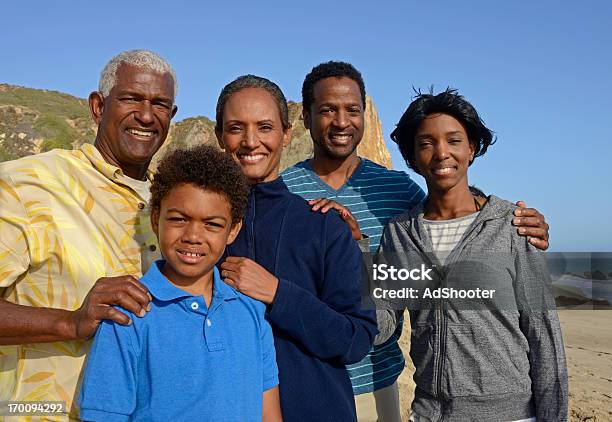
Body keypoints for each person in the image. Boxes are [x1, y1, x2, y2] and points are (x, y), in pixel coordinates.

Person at [280, 61, 551, 421]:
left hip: (377, 383)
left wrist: (511, 223)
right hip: (303, 378)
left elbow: (452, 211)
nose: (341, 121)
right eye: (327, 110)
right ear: (306, 118)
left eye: (352, 110)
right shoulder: (281, 190)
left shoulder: (399, 193)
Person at [0, 50, 177, 419]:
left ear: (171, 117)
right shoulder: (26, 184)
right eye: (131, 98)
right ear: (98, 107)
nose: (146, 115)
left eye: (160, 104)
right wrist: (69, 322)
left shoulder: (173, 204)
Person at [379, 89, 567, 421]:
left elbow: (543, 335)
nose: (441, 153)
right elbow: (381, 325)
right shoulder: (399, 232)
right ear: (412, 155)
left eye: (453, 141)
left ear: (472, 148)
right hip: (430, 413)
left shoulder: (514, 226)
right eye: (426, 143)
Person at [214, 74, 378, 421]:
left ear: (286, 135)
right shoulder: (203, 235)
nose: (250, 141)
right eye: (236, 128)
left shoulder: (325, 225)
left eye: (264, 127)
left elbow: (357, 338)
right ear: (219, 137)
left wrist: (277, 293)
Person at [78, 145, 282, 421]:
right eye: (178, 219)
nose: (193, 236)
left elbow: (269, 413)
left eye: (211, 224)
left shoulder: (251, 313)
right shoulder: (127, 315)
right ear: (155, 219)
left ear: (233, 230)